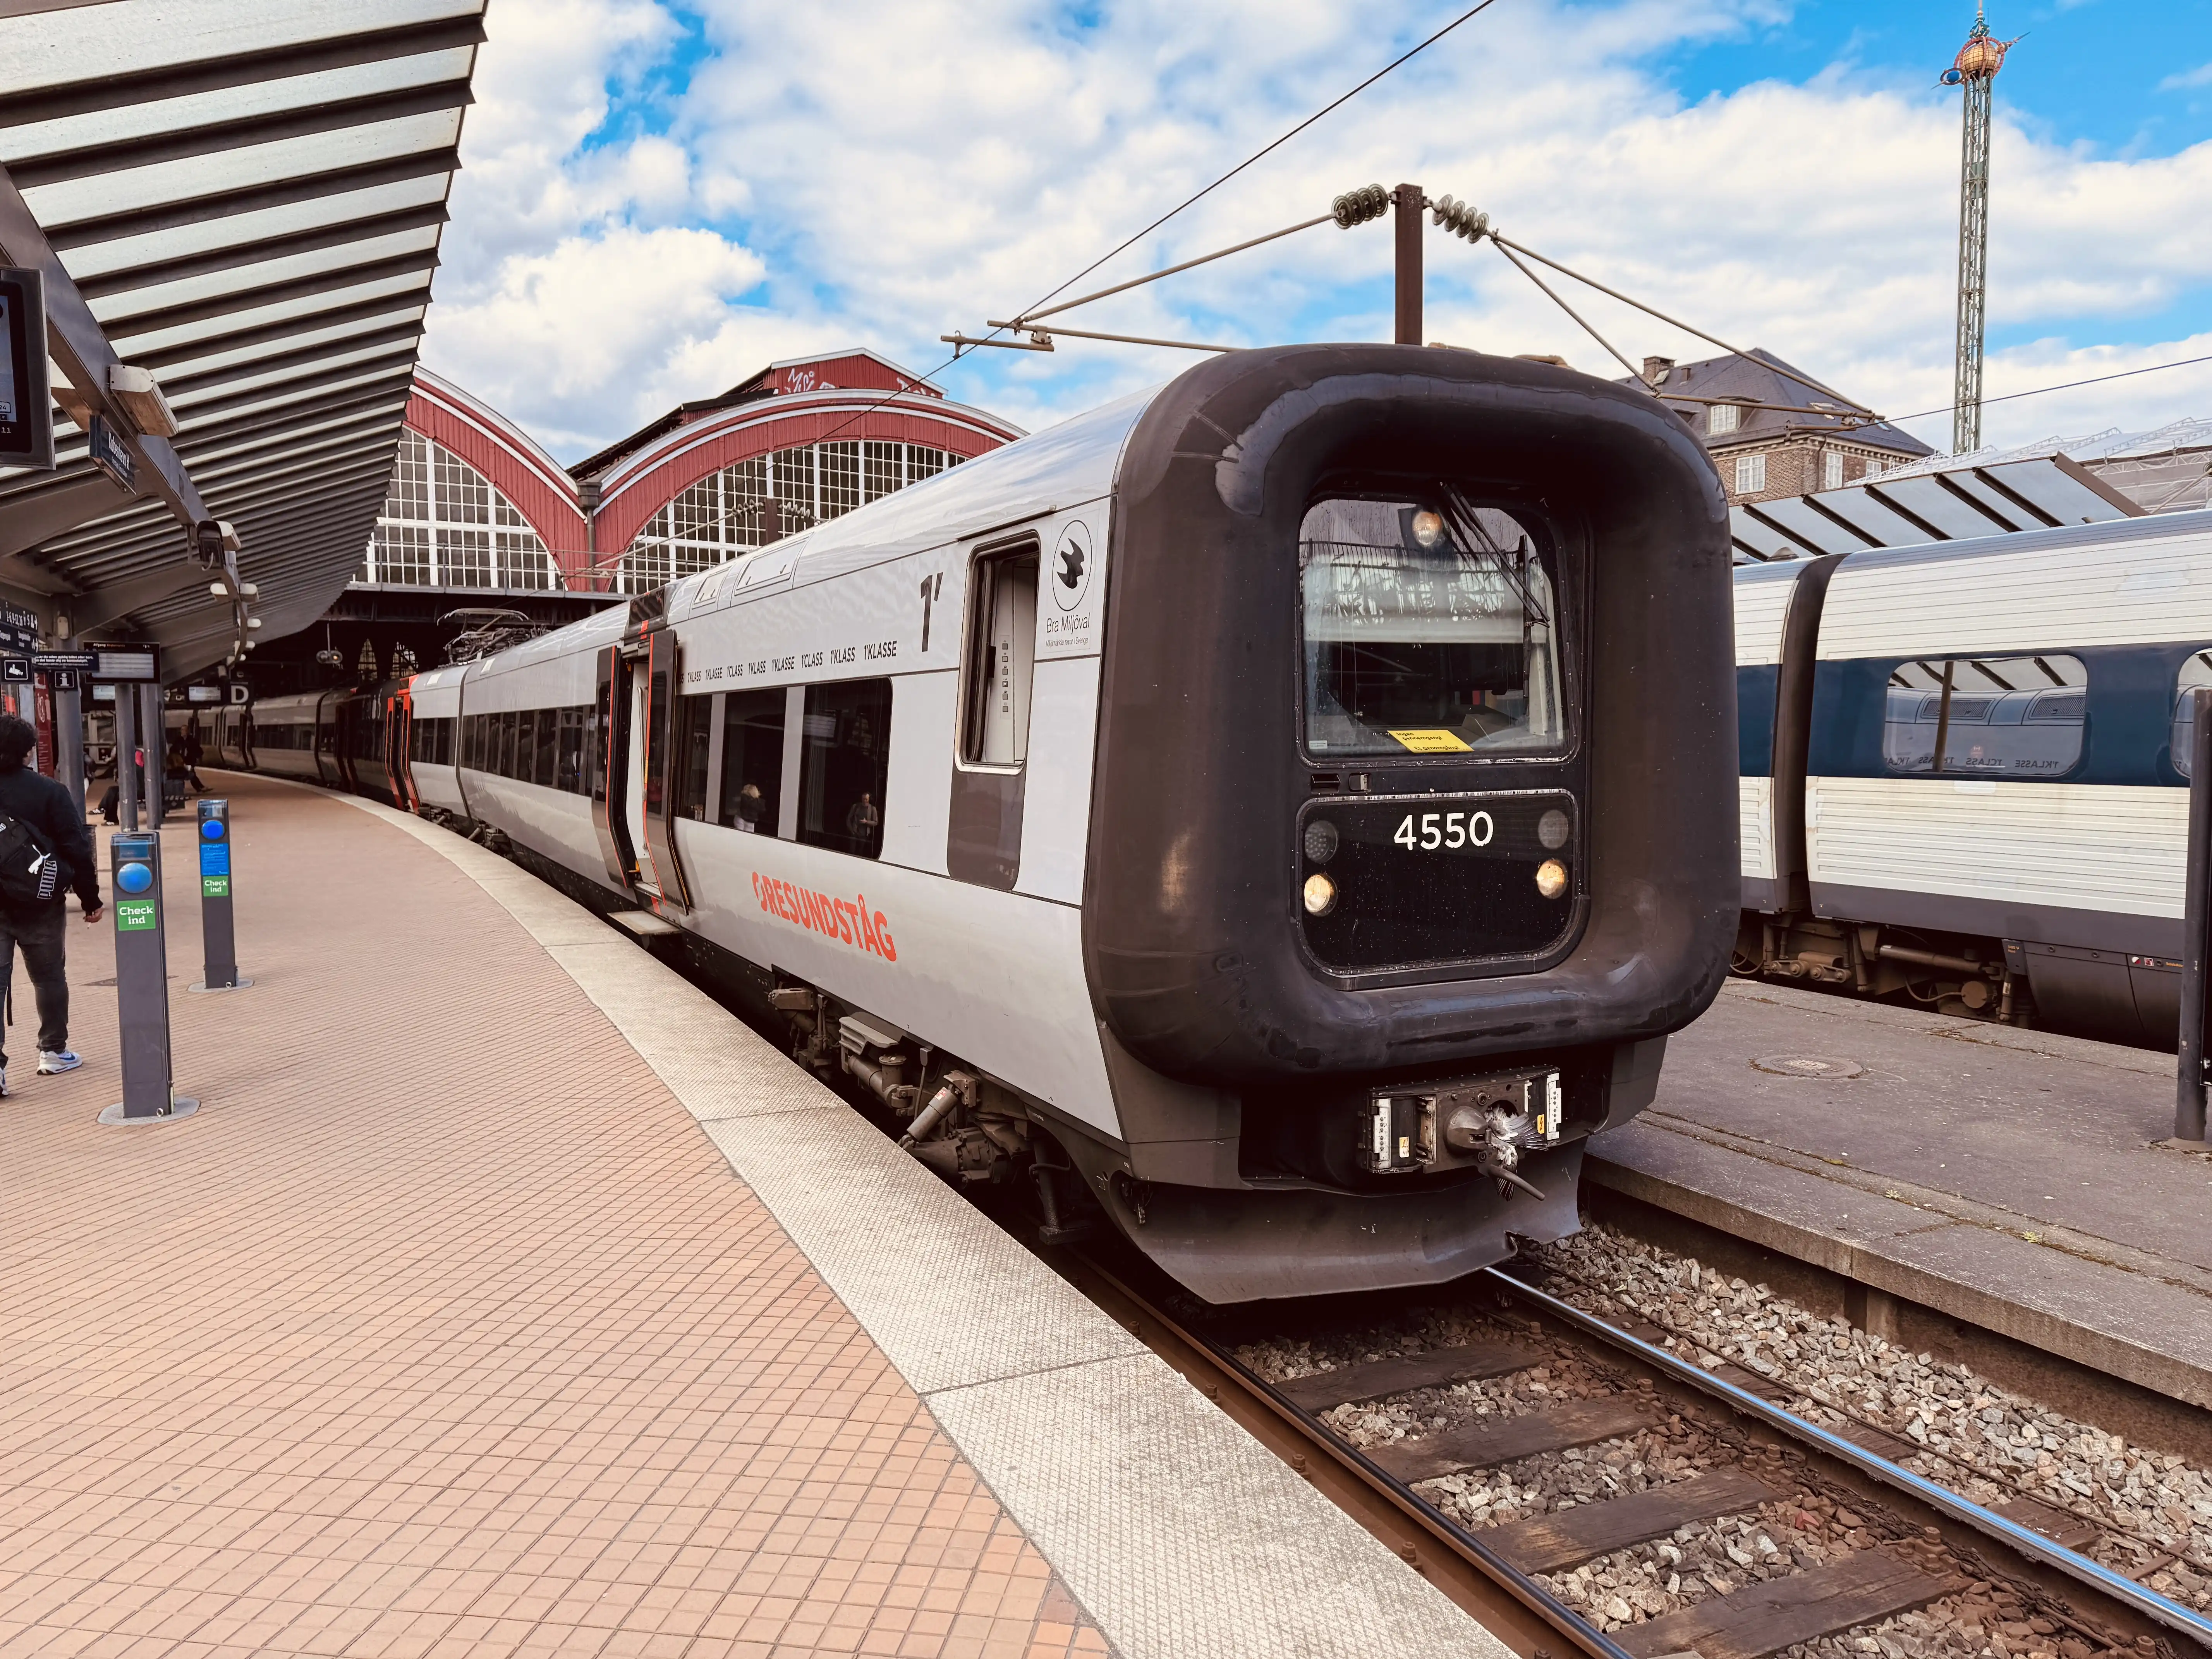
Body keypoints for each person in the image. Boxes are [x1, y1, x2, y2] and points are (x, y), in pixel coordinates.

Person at [0, 714, 100, 1093]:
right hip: (40, 902)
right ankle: (53, 1052)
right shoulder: (50, 792)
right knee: (48, 978)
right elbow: (77, 850)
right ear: (28, 752)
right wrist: (90, 900)